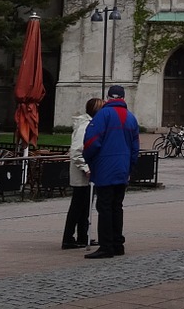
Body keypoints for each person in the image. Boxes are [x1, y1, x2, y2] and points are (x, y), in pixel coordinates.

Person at [82, 84, 140, 259]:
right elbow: (135, 147)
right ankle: (117, 244)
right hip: (122, 168)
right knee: (117, 206)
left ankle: (106, 245)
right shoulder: (131, 118)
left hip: (105, 168)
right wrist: (130, 167)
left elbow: (91, 142)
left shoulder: (103, 115)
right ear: (123, 98)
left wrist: (90, 162)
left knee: (104, 206)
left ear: (108, 97)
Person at [62, 97, 99, 250]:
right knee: (78, 206)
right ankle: (68, 238)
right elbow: (76, 151)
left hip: (86, 174)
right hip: (82, 174)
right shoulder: (84, 126)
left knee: (85, 206)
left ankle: (83, 236)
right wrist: (86, 168)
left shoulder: (91, 124)